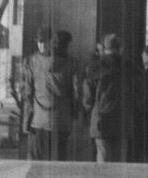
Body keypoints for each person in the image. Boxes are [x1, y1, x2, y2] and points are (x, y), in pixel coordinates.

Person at [22, 28, 80, 161]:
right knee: (59, 160)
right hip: (62, 120)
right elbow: (77, 91)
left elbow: (28, 92)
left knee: (38, 161)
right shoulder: (72, 63)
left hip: (39, 120)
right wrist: (74, 114)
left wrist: (27, 119)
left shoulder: (33, 61)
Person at [82, 33, 140, 163]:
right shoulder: (130, 67)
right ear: (121, 48)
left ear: (104, 48)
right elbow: (138, 94)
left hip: (101, 118)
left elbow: (88, 97)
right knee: (120, 160)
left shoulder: (94, 67)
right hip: (123, 119)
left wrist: (89, 111)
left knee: (103, 156)